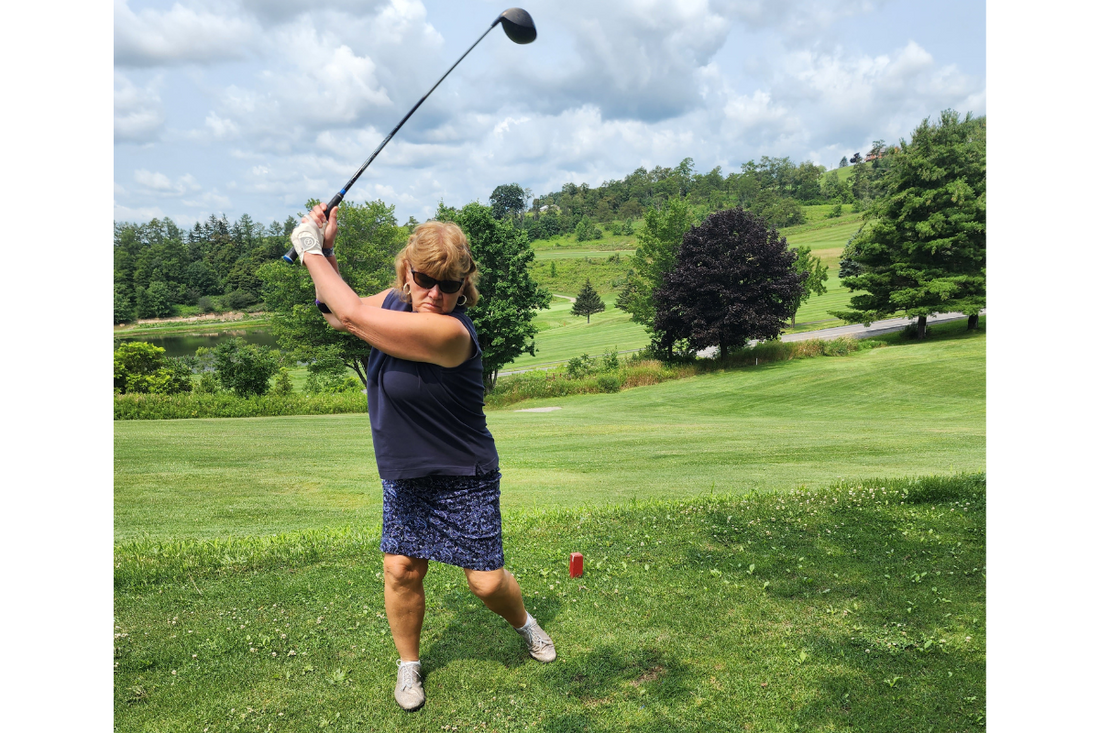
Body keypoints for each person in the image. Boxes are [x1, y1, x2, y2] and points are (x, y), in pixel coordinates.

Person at [290, 203, 555, 711]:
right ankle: (409, 667)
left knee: (485, 580)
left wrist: (309, 249)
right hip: (405, 471)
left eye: (449, 284)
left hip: (464, 473)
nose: (436, 294)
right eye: (426, 279)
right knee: (402, 569)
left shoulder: (453, 333)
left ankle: (526, 623)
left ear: (464, 285)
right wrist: (328, 251)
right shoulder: (392, 301)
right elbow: (334, 314)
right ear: (407, 273)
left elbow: (350, 315)